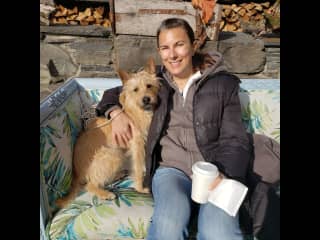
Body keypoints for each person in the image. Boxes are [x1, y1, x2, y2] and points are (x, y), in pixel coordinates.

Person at [95, 18, 252, 240]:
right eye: (165, 48)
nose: (173, 55)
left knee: (219, 232)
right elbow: (115, 92)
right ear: (160, 52)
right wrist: (115, 113)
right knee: (168, 225)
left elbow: (235, 139)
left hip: (213, 171)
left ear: (193, 44)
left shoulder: (222, 84)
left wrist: (224, 174)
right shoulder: (157, 80)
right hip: (171, 171)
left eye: (179, 44)